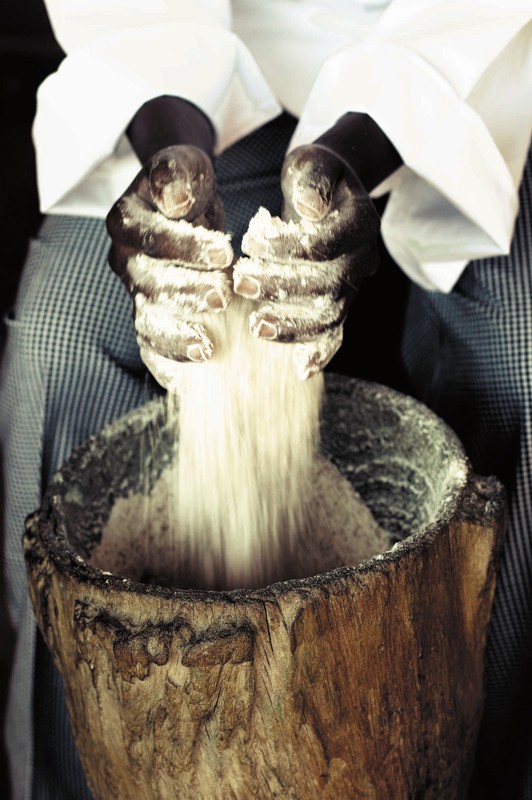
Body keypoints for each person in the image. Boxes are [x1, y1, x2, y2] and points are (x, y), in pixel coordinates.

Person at [1, 1, 531, 797]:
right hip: (212, 81)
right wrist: (170, 149)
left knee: (524, 357)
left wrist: (352, 149)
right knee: (62, 341)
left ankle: (484, 770)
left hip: (462, 87)